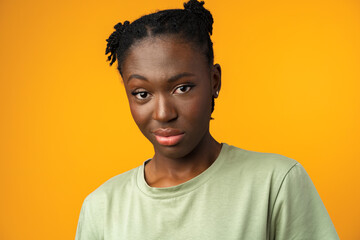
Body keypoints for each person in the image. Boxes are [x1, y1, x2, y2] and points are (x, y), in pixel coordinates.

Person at [75, 0, 339, 239]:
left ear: (214, 81)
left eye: (182, 88)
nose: (163, 113)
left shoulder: (276, 183)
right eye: (142, 94)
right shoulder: (101, 207)